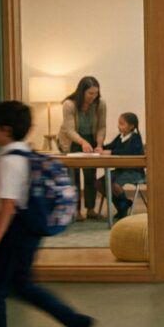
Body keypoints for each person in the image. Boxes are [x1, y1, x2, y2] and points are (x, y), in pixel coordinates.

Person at [0, 101, 94, 327]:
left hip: (11, 232)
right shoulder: (23, 155)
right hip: (26, 230)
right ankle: (75, 321)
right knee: (21, 285)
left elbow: (6, 207)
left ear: (4, 130)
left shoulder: (8, 161)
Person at [58, 76, 107, 221]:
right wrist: (83, 142)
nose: (93, 96)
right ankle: (76, 211)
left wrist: (98, 144)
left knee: (90, 175)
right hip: (71, 141)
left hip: (91, 139)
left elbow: (102, 127)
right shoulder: (69, 104)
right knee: (73, 177)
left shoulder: (100, 104)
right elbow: (69, 130)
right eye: (90, 93)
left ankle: (90, 209)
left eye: (96, 93)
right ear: (81, 92)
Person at [96, 112, 145, 220]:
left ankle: (123, 206)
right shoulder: (120, 136)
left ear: (131, 126)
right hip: (121, 170)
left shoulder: (135, 138)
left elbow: (127, 152)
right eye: (119, 123)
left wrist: (110, 152)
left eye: (122, 124)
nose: (119, 126)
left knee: (116, 185)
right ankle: (123, 204)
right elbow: (111, 146)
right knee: (99, 183)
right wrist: (101, 148)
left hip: (134, 171)